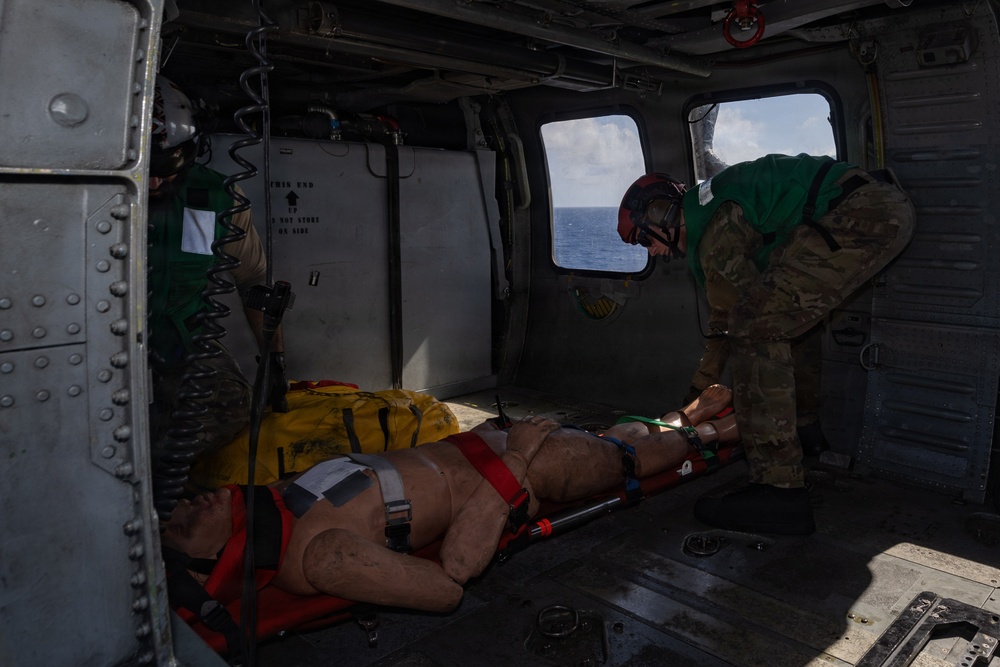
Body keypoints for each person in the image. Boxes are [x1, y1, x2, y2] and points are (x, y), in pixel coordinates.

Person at [161, 385, 737, 616]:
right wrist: (516, 458)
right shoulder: (321, 556)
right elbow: (449, 582)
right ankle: (720, 434)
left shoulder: (276, 501)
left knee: (607, 441)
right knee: (621, 459)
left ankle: (679, 417)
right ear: (216, 562)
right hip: (517, 467)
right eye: (186, 523)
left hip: (476, 445)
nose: (193, 503)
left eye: (180, 505)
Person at [617, 153, 916, 536]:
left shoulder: (713, 231)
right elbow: (736, 305)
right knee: (781, 322)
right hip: (874, 207)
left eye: (644, 238)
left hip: (862, 214)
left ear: (661, 215)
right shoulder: (715, 209)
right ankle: (804, 430)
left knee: (756, 327)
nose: (651, 251)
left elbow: (729, 319)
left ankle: (778, 489)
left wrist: (694, 395)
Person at [147, 75, 289, 512]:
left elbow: (252, 281)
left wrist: (275, 359)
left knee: (229, 405)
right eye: (142, 169)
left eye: (164, 169)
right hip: (104, 340)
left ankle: (157, 479)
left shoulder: (216, 197)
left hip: (179, 335)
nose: (152, 185)